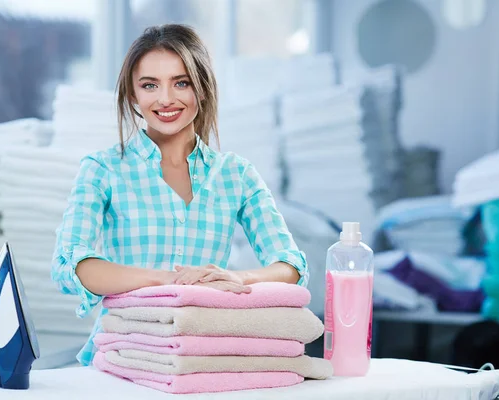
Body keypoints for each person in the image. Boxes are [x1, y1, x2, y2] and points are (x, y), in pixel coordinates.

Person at [51, 23, 308, 366]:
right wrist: (167, 281)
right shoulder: (103, 169)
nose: (166, 99)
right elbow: (71, 263)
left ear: (201, 89)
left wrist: (237, 277)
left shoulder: (236, 174)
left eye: (181, 83)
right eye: (150, 85)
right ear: (133, 95)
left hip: (206, 355)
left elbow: (290, 264)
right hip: (123, 353)